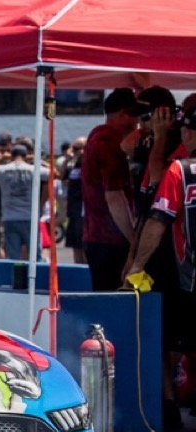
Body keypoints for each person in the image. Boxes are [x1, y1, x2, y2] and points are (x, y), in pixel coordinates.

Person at [124, 105, 196, 432]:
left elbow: (159, 218)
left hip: (186, 277)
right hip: (182, 275)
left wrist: (136, 265)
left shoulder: (181, 169)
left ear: (188, 133)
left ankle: (169, 411)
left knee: (165, 338)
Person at [81, 87, 148, 290]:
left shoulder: (97, 134)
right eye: (134, 115)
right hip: (110, 241)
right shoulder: (109, 141)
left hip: (97, 237)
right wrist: (134, 240)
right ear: (122, 115)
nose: (138, 121)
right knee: (115, 297)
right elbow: (114, 196)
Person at [0, 142, 48, 261]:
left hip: (10, 216)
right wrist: (39, 160)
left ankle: (16, 273)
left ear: (11, 155)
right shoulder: (33, 169)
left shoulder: (3, 169)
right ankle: (37, 272)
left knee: (13, 255)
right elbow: (54, 173)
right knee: (35, 253)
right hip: (29, 216)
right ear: (26, 155)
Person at [60, 136, 86, 263]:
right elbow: (61, 177)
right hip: (74, 210)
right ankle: (78, 268)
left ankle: (86, 270)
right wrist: (67, 158)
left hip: (86, 211)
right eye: (76, 148)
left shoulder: (91, 164)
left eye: (83, 148)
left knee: (85, 245)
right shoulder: (72, 165)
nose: (80, 152)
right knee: (75, 245)